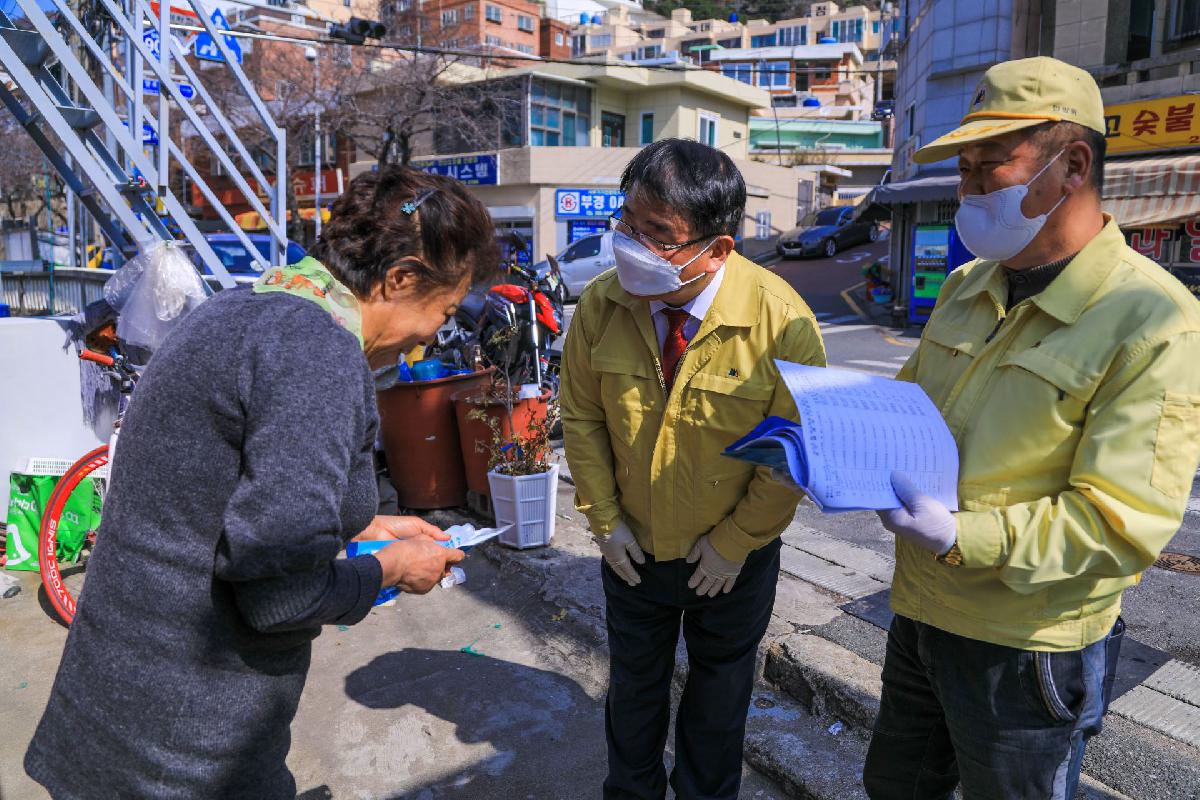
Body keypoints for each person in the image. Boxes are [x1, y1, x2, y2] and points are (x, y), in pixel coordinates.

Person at [25, 166, 501, 798]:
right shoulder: (317, 355)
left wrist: (362, 524)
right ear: (400, 278)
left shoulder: (239, 310)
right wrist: (389, 568)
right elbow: (280, 596)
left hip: (109, 708)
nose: (435, 335)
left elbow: (220, 484)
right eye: (441, 311)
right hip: (189, 748)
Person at [861, 57, 1200, 799]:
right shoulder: (966, 286)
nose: (969, 190)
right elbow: (909, 409)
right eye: (965, 172)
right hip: (919, 614)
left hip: (1027, 650)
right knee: (895, 787)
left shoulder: (1153, 320)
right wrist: (837, 441)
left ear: (1072, 164)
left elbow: (1120, 524)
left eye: (989, 169)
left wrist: (961, 536)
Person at [561, 138, 826, 800]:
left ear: (718, 250)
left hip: (732, 562)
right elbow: (584, 420)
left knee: (719, 697)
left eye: (658, 235)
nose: (631, 245)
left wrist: (735, 544)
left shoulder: (781, 320)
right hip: (634, 550)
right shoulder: (600, 305)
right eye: (628, 223)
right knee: (633, 690)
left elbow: (794, 451)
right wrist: (604, 520)